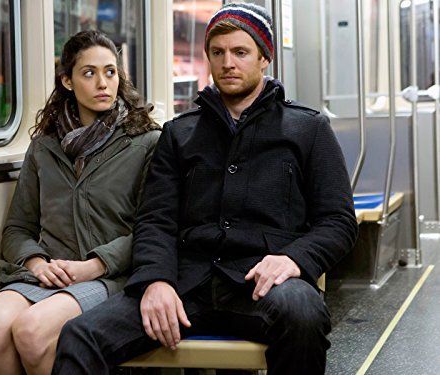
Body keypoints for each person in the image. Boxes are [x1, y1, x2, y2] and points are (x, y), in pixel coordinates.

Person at [53, 3, 359, 374]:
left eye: (240, 52)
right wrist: (156, 279)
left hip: (261, 285)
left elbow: (338, 222)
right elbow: (156, 220)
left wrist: (293, 260)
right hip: (187, 285)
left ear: (265, 58)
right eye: (218, 53)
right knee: (80, 336)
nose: (228, 62)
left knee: (304, 314)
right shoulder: (180, 133)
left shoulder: (307, 129)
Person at [0, 30, 160, 375]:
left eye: (110, 72)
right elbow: (18, 227)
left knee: (31, 331)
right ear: (68, 81)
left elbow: (153, 230)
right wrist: (36, 263)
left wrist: (94, 265)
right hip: (47, 274)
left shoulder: (145, 142)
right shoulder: (44, 147)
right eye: (89, 73)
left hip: (110, 275)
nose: (103, 83)